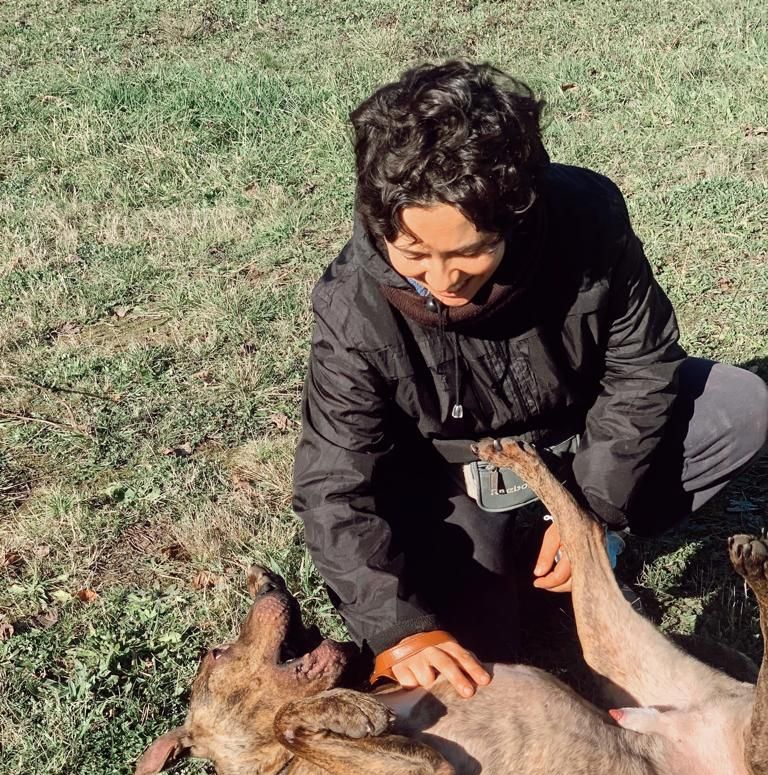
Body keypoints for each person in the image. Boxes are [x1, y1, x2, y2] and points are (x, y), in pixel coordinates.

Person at [292, 60, 768, 700]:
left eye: (470, 252)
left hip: (576, 440)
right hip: (457, 482)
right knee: (481, 671)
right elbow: (334, 482)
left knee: (739, 407)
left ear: (517, 214)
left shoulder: (588, 220)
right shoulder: (352, 306)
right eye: (414, 255)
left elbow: (642, 370)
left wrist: (592, 512)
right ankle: (511, 563)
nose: (443, 280)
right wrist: (399, 628)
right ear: (381, 222)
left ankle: (587, 546)